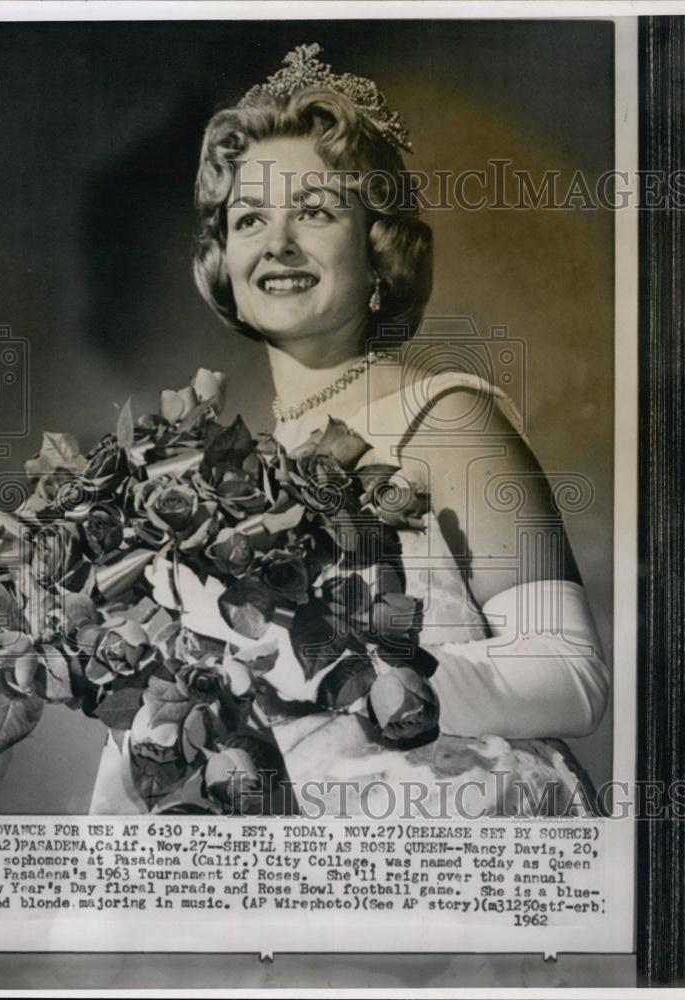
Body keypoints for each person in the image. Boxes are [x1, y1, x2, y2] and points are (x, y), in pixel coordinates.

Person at [191, 44, 610, 745]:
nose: (278, 245)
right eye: (249, 219)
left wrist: (354, 681)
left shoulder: (446, 417)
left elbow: (570, 674)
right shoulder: (227, 473)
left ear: (377, 252)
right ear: (223, 263)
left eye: (316, 212)